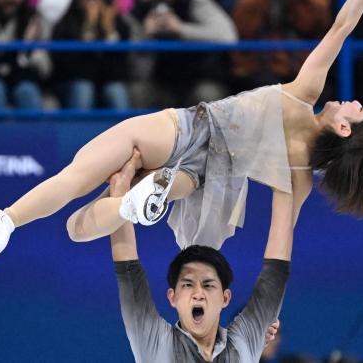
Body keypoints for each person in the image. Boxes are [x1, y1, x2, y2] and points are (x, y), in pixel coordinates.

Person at [0, 0, 363, 269]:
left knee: (75, 179)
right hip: (211, 182)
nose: (355, 101)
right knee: (82, 228)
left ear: (341, 125)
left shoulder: (303, 93)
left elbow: (341, 25)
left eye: (359, 111)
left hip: (187, 128)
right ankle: (138, 200)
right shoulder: (300, 177)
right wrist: (265, 309)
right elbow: (279, 250)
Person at [106, 150, 291, 362]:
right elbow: (128, 274)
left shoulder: (243, 343)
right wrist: (120, 187)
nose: (198, 294)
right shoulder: (156, 343)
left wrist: (286, 182)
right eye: (187, 284)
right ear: (172, 297)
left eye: (208, 285)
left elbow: (274, 274)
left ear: (225, 298)